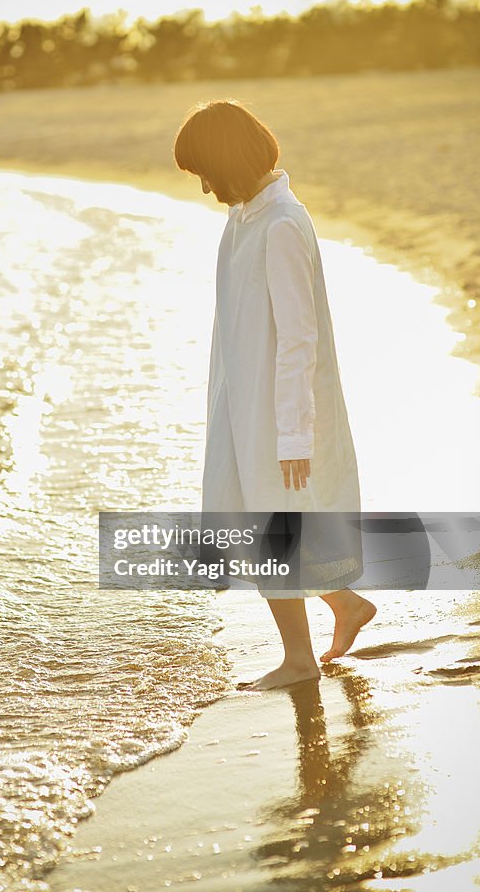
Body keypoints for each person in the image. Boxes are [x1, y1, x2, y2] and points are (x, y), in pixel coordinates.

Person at [173, 99, 377, 689]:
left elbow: (298, 338)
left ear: (228, 160)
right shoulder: (241, 221)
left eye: (206, 173)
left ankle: (298, 659)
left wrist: (293, 433)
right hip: (241, 401)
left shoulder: (282, 223)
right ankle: (344, 605)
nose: (207, 188)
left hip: (277, 408)